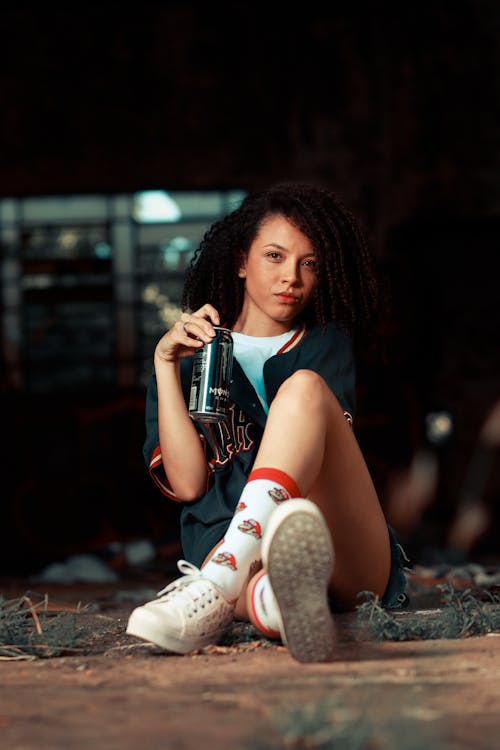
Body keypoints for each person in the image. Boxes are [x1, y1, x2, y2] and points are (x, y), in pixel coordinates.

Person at [126, 181, 409, 662]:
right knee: (274, 584)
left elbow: (322, 475)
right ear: (241, 261)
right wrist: (163, 362)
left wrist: (221, 573)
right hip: (241, 561)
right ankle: (274, 603)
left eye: (309, 263)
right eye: (274, 257)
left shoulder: (325, 344)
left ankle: (217, 586)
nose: (291, 278)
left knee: (302, 389)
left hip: (342, 552)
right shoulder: (191, 359)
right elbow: (190, 484)